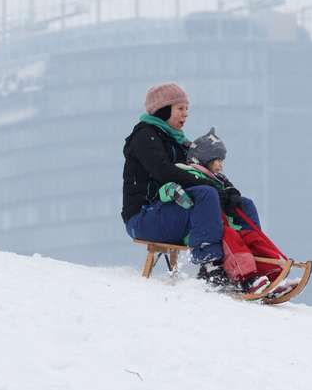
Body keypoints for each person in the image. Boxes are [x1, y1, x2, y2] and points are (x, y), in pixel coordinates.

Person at [122, 82, 234, 286]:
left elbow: (202, 169)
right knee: (207, 194)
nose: (186, 114)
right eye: (180, 108)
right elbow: (163, 171)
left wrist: (228, 191)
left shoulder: (179, 142)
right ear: (163, 110)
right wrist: (211, 187)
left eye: (187, 109)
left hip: (171, 211)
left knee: (242, 203)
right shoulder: (145, 136)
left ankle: (254, 264)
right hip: (143, 218)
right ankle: (210, 266)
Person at [186, 128, 297, 298]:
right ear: (204, 158)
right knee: (232, 238)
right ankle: (247, 279)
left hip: (226, 224)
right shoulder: (190, 175)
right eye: (217, 160)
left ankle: (271, 276)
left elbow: (229, 189)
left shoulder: (219, 178)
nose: (221, 165)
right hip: (208, 229)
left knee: (251, 236)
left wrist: (232, 195)